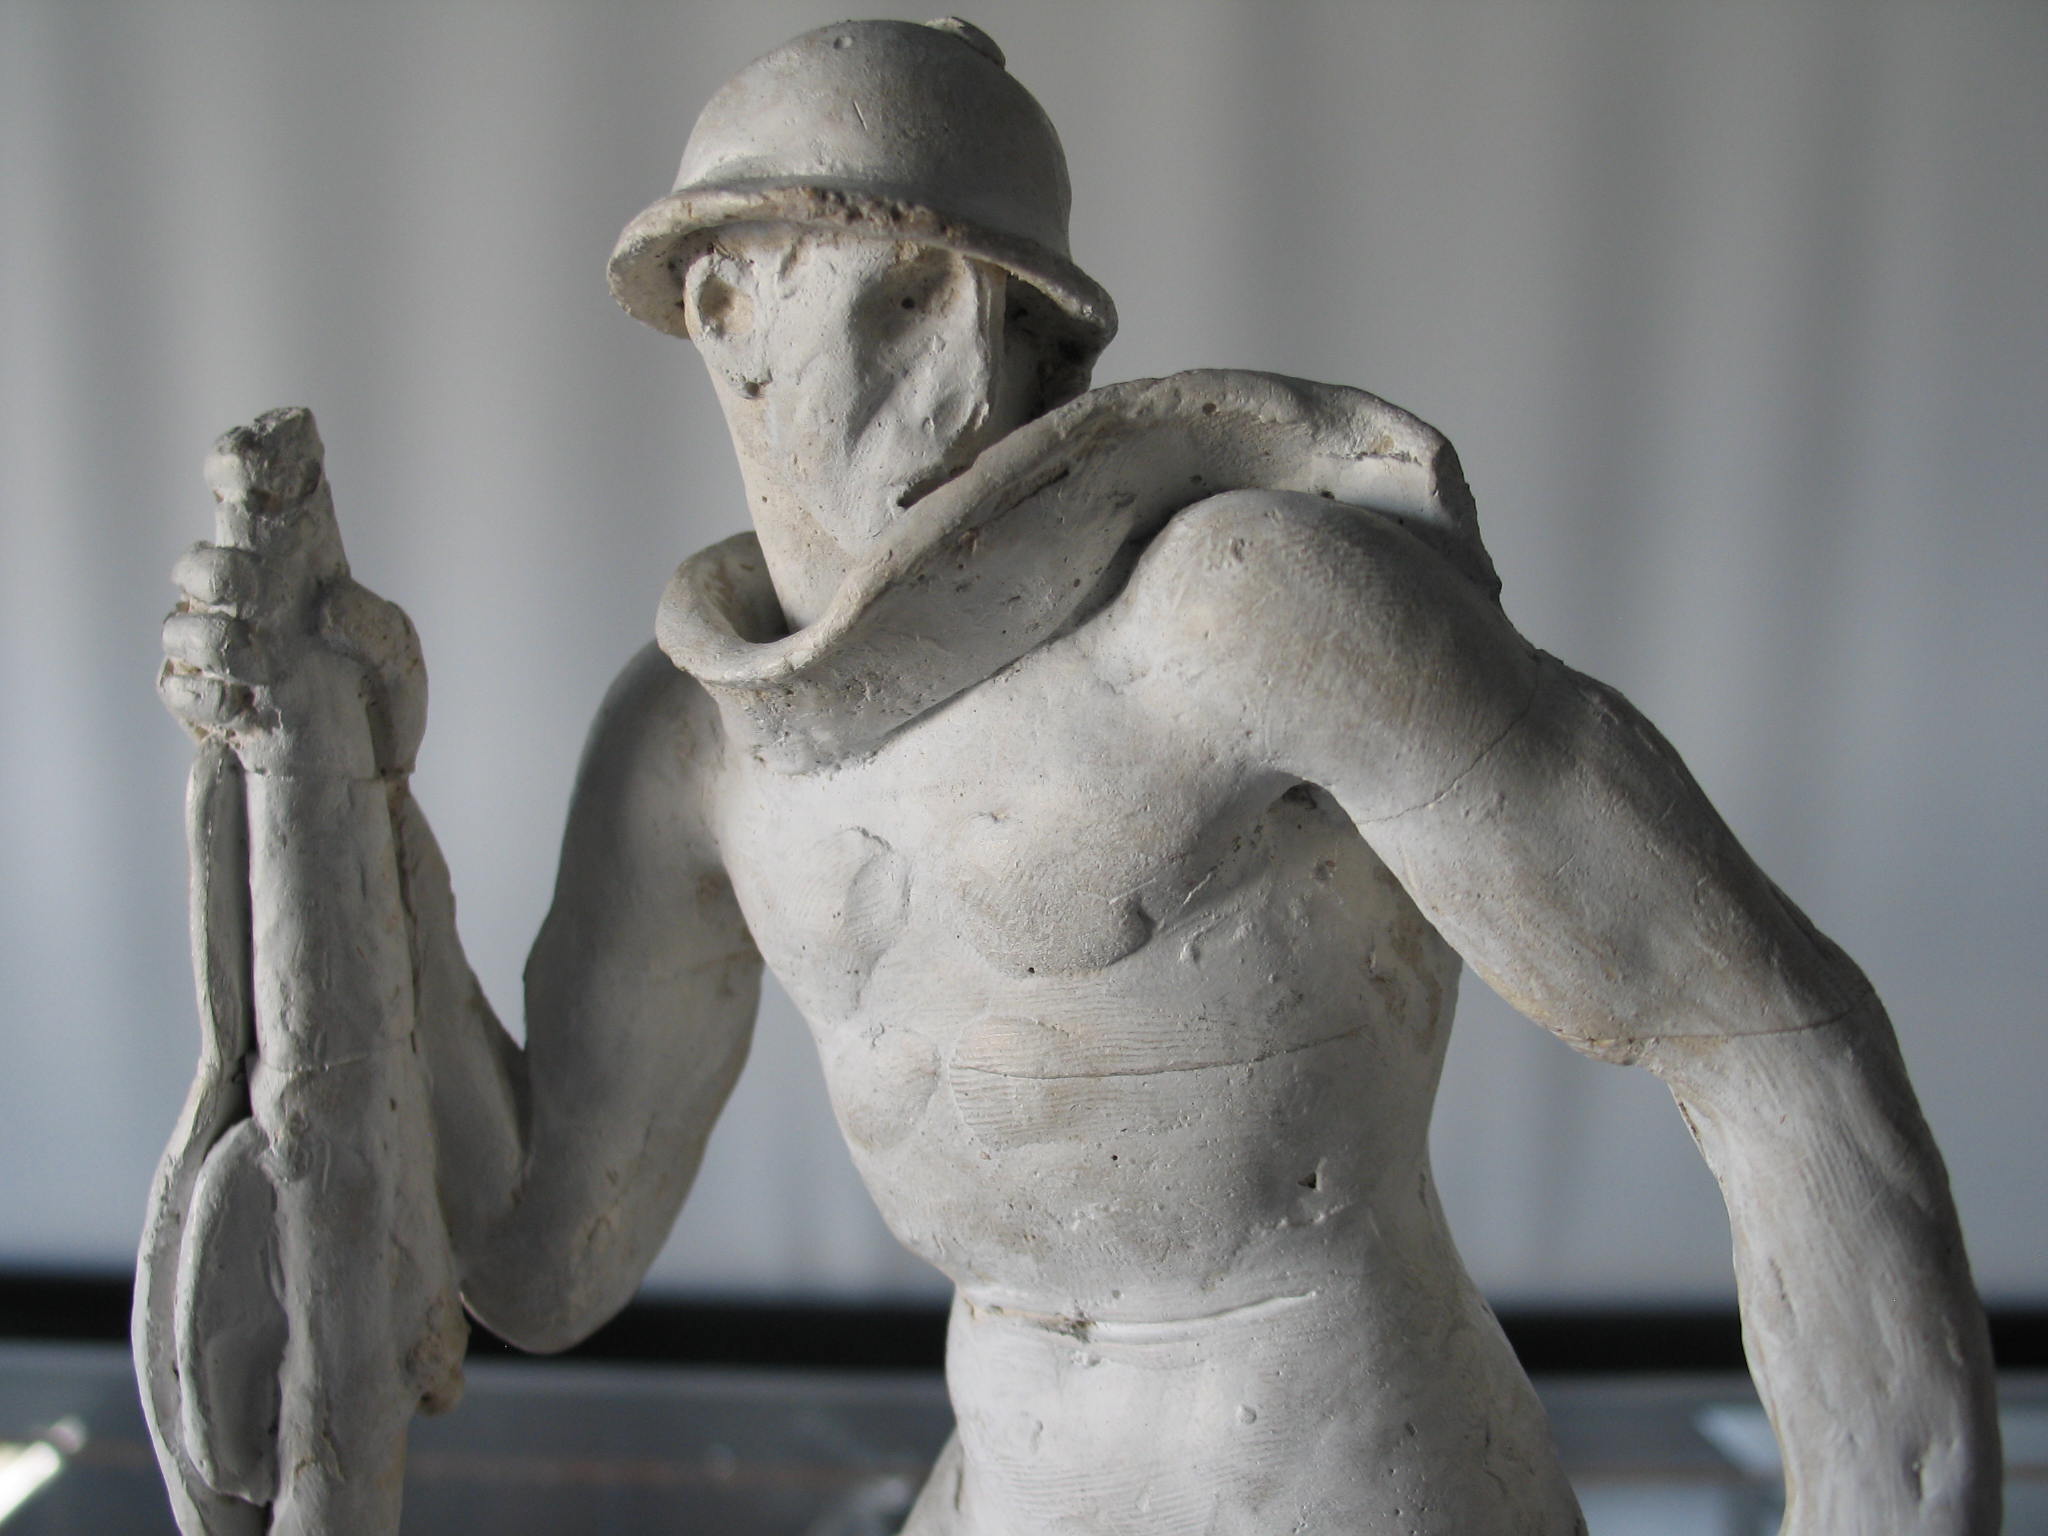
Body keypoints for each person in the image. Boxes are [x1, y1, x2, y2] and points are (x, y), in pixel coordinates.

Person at [147, 19, 1998, 1536]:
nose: (967, 364)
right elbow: (545, 1253)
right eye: (894, 292)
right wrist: (358, 789)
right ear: (720, 312)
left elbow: (1767, 1042)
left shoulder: (1246, 615)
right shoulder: (692, 752)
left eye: (1006, 311)